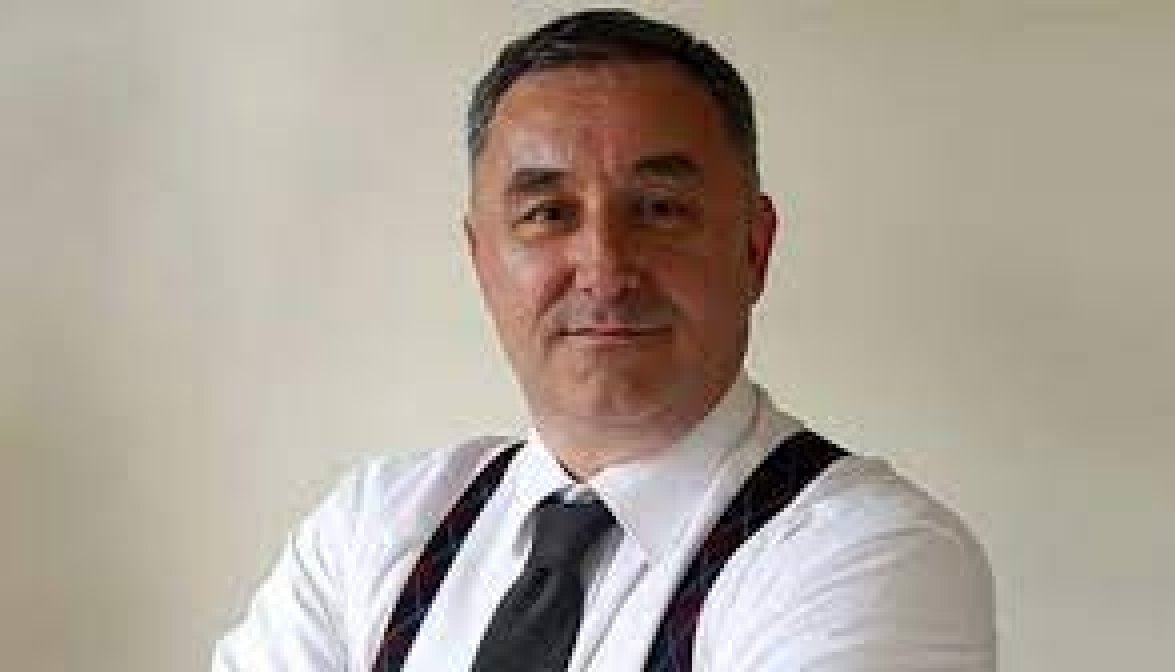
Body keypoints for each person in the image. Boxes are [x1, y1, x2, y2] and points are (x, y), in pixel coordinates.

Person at [213, 9, 994, 672]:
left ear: (754, 248)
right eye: (548, 214)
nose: (605, 269)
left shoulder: (870, 554)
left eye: (659, 209)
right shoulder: (375, 528)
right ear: (481, 260)